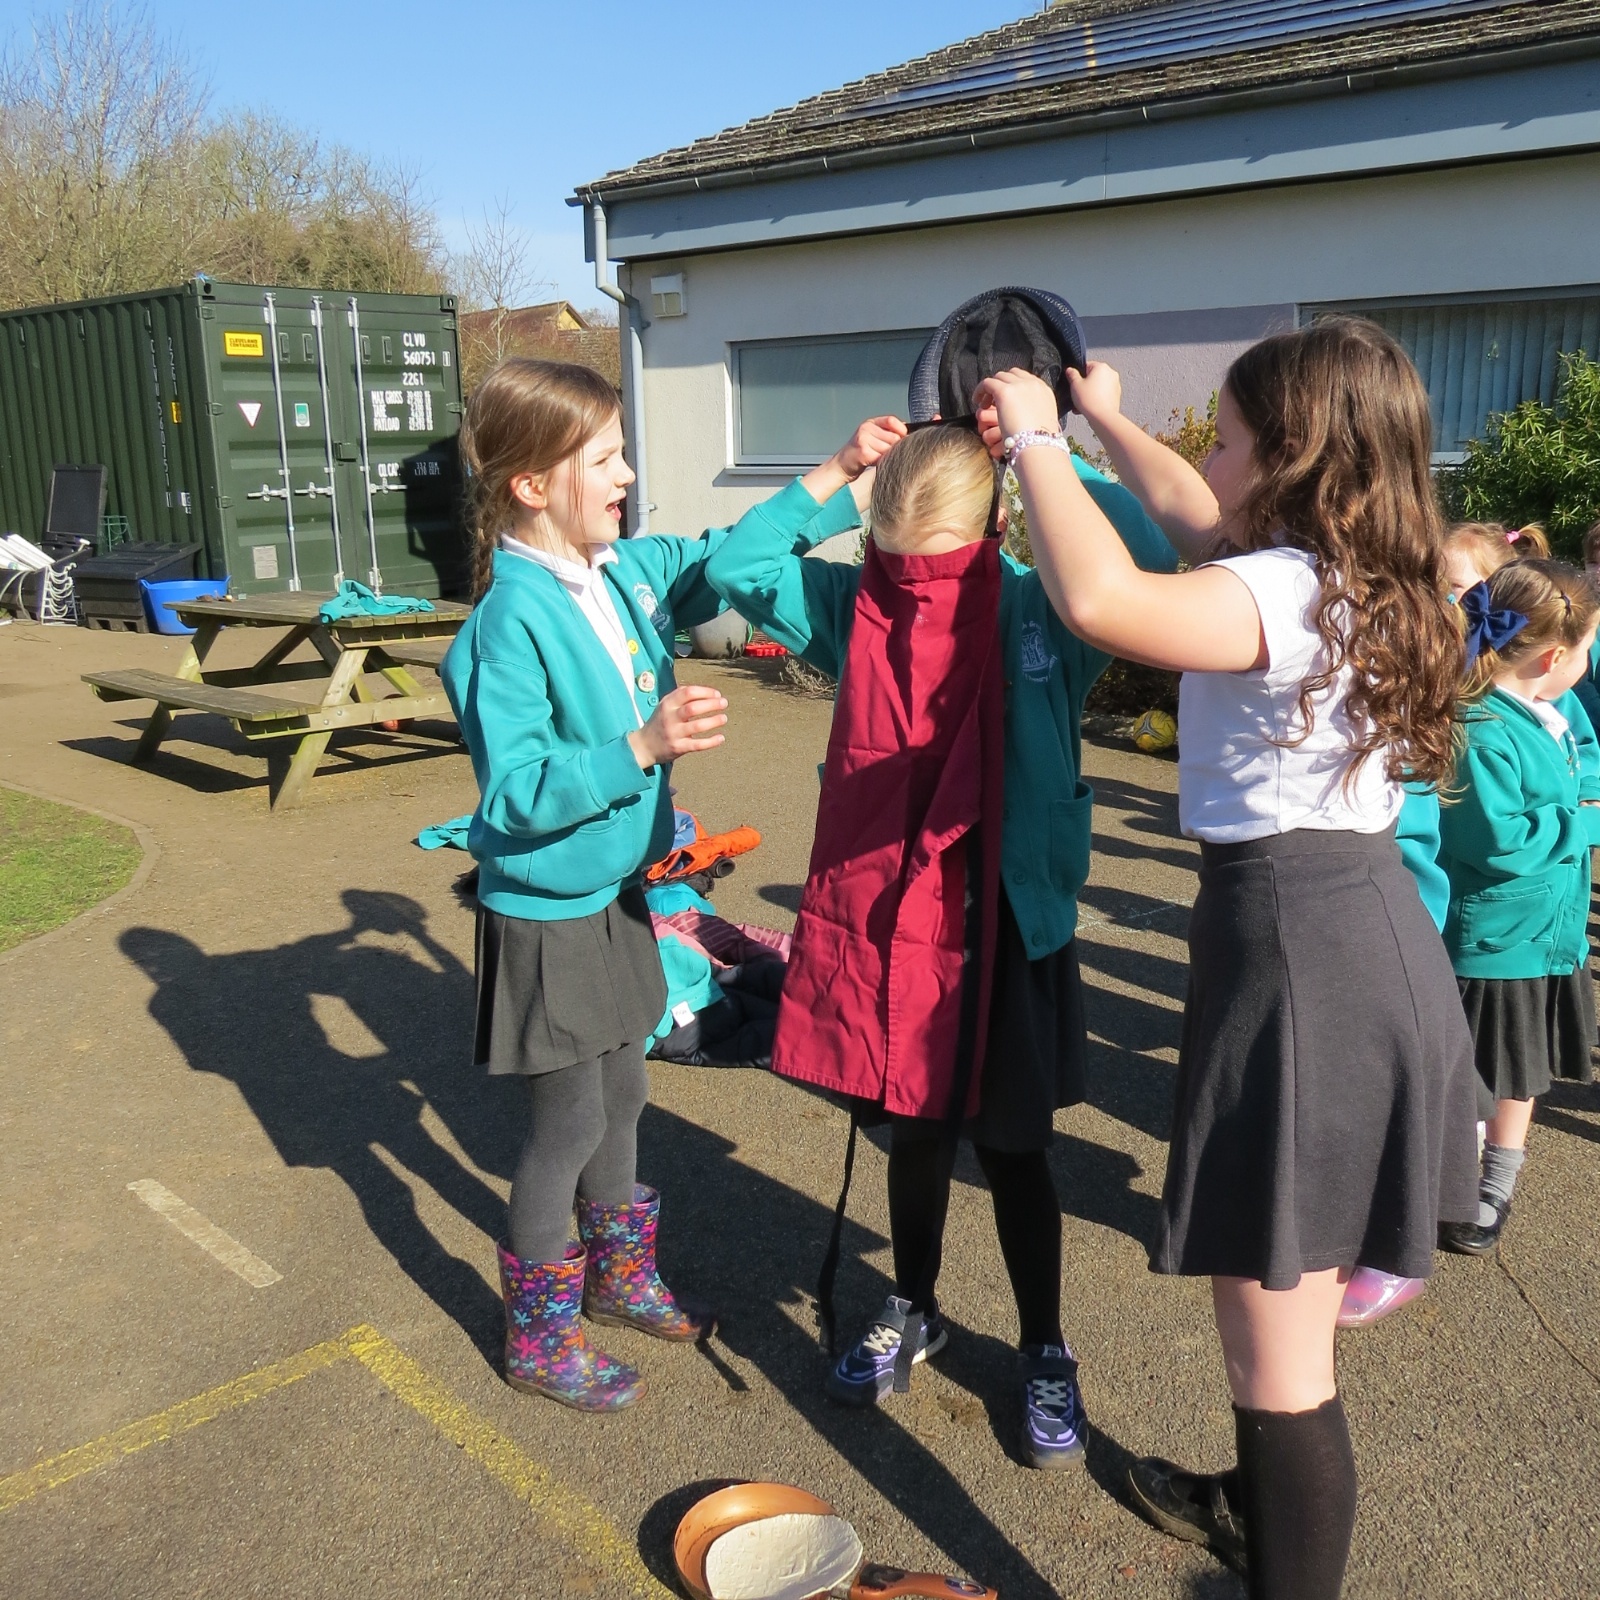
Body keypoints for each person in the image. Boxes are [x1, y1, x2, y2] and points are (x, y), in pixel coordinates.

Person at [975, 317, 1480, 1596]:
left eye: (1230, 435)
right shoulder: (1361, 573)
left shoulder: (1281, 591)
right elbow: (1191, 512)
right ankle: (1255, 1503)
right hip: (1359, 933)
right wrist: (1100, 415)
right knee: (1290, 1326)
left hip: (1299, 957)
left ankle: (1279, 1543)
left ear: (1289, 453)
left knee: (1280, 1368)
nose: (1210, 457)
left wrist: (1034, 438)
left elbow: (1101, 599)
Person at [705, 415, 1193, 1470]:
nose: (913, 586)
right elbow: (738, 564)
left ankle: (1044, 1344)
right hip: (898, 932)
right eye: (896, 564)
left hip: (1010, 928)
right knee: (917, 1139)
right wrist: (839, 469)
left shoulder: (1041, 605)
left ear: (996, 531)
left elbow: (1155, 555)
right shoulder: (855, 602)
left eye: (937, 565)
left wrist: (1044, 449)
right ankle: (914, 1304)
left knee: (1016, 1150)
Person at [441, 358, 843, 1411]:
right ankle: (538, 1335)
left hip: (620, 896)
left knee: (625, 1093)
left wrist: (839, 472)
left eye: (623, 455)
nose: (627, 476)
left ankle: (619, 1279)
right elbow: (513, 793)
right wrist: (640, 747)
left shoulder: (615, 569)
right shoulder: (506, 622)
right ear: (532, 484)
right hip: (548, 914)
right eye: (606, 459)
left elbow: (720, 557)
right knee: (567, 1127)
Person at [1434, 558, 1600, 1256]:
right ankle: (1451, 1178)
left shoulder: (1553, 712)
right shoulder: (1478, 727)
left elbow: (1585, 765)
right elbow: (1498, 842)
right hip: (1496, 940)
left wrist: (1581, 804)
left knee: (1521, 1070)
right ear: (1554, 656)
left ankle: (1496, 1180)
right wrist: (1581, 821)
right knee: (1473, 1073)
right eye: (1588, 650)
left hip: (1545, 932)